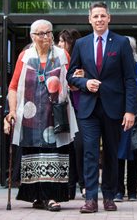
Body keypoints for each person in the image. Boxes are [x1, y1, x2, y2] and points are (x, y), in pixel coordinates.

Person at [67, 1, 137, 213]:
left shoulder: (122, 43)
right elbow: (70, 75)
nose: (99, 19)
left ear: (109, 18)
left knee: (111, 153)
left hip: (114, 107)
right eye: (95, 16)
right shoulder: (81, 44)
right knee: (89, 153)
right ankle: (90, 198)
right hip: (88, 108)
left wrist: (130, 110)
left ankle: (109, 196)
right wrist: (84, 83)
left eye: (102, 16)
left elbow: (130, 79)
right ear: (89, 19)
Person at [3, 19, 77, 212]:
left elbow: (71, 82)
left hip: (55, 114)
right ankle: (36, 196)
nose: (45, 37)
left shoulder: (62, 55)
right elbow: (13, 87)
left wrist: (78, 80)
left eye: (48, 33)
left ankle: (52, 197)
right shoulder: (25, 56)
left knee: (54, 154)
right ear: (32, 36)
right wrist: (11, 111)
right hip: (30, 115)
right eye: (41, 34)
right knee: (33, 154)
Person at [114, 36, 137, 202]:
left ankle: (133, 191)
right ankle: (118, 191)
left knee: (134, 153)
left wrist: (133, 81)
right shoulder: (114, 69)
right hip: (117, 116)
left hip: (136, 117)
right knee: (118, 154)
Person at [58, 29, 85, 200]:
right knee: (67, 148)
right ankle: (69, 186)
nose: (59, 44)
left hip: (81, 109)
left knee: (80, 147)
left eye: (62, 41)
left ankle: (83, 184)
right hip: (63, 109)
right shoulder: (58, 60)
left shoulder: (82, 61)